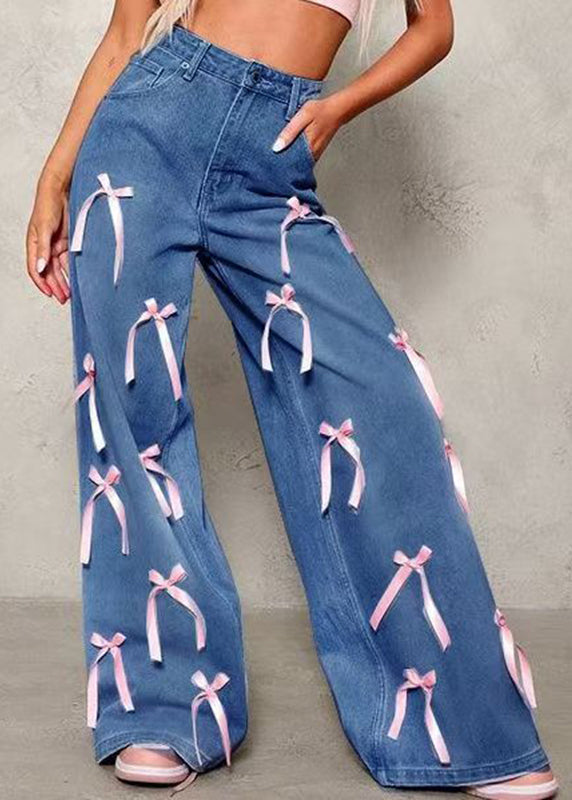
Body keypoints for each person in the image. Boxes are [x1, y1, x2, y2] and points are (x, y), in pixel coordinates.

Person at [26, 1, 558, 797]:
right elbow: (125, 34)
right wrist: (53, 179)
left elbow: (435, 28)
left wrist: (339, 105)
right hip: (147, 128)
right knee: (132, 421)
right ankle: (166, 712)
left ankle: (464, 731)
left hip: (273, 155)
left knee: (383, 402)